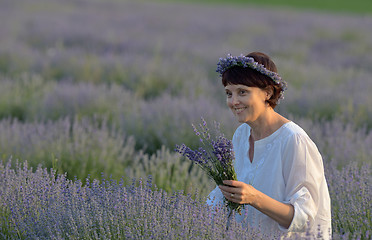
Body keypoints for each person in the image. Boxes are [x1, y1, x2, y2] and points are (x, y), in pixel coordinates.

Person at [207, 52, 332, 239]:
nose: (233, 102)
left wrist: (254, 198)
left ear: (268, 92)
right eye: (228, 93)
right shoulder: (242, 134)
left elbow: (305, 219)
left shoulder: (294, 141)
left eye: (242, 92)